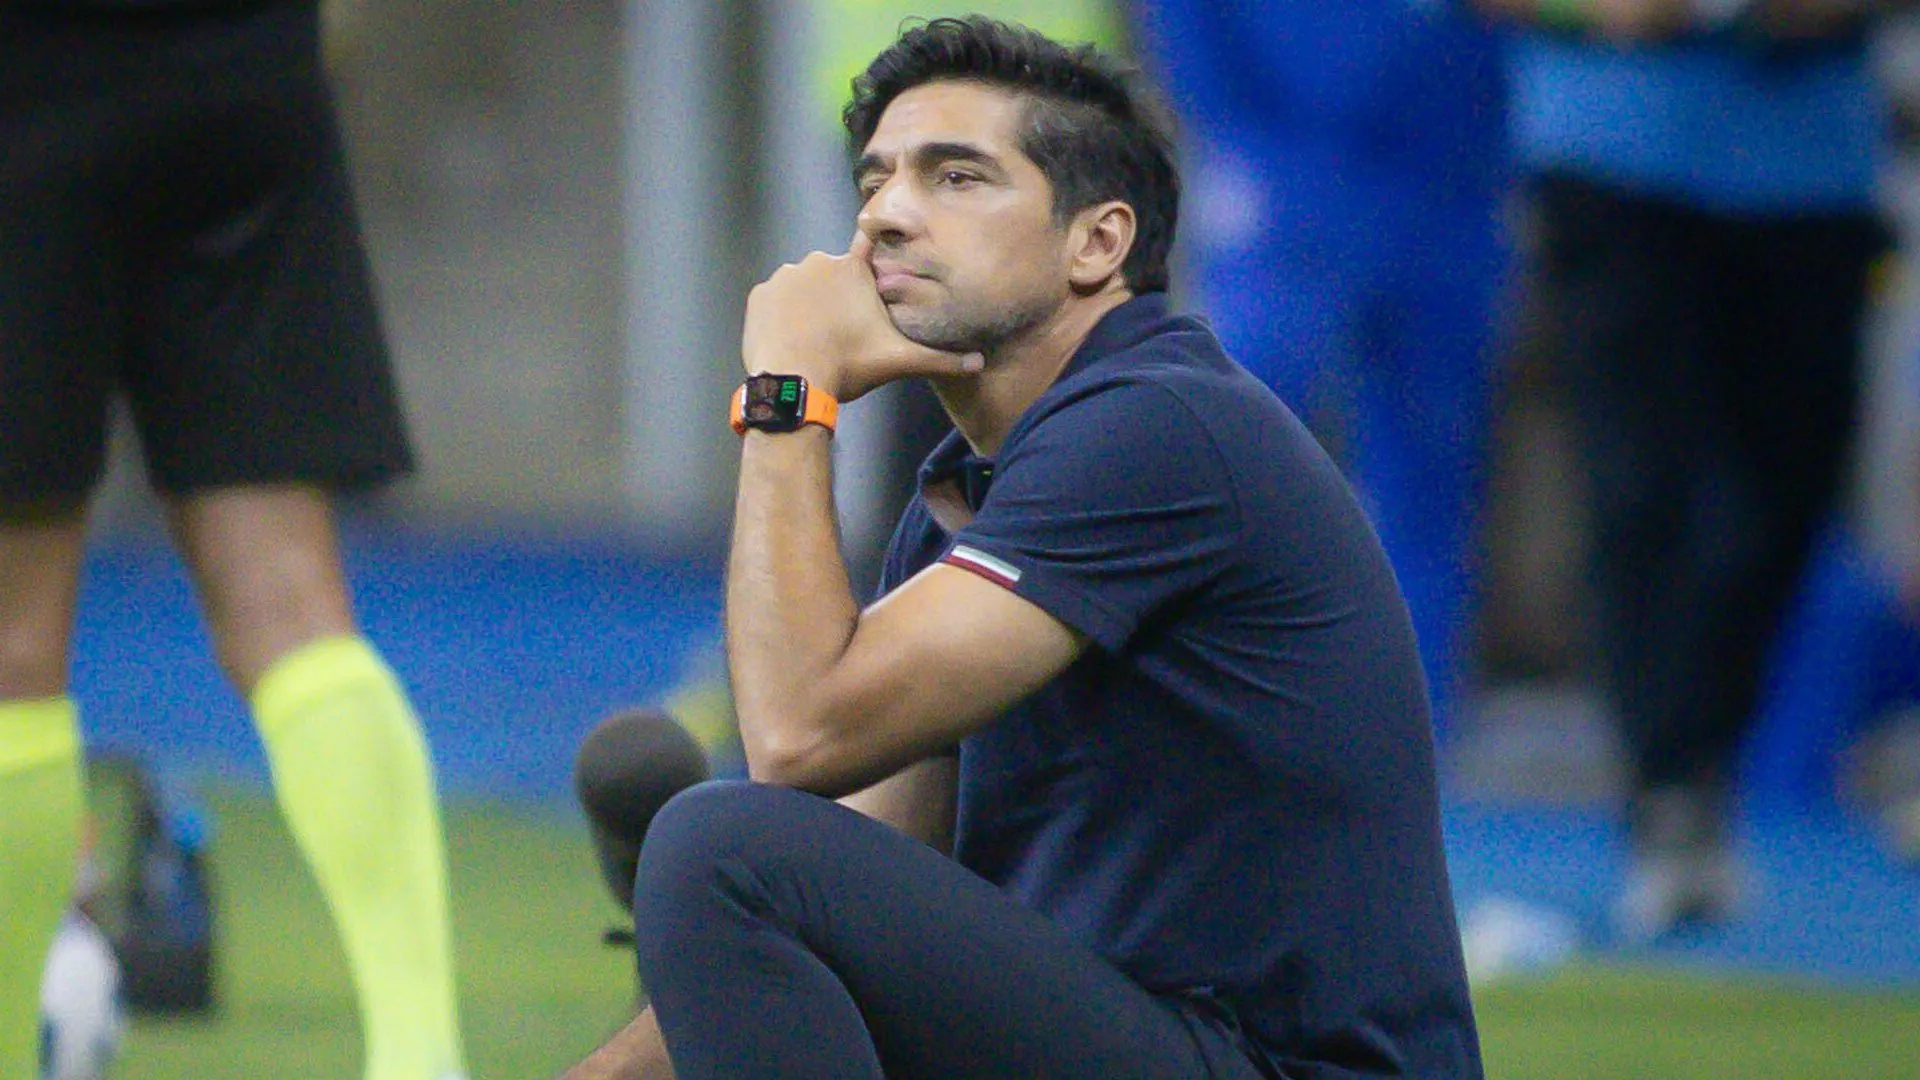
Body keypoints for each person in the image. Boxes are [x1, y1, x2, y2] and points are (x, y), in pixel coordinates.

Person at [562, 16, 1481, 1080]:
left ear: (1097, 243)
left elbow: (799, 732)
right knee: (742, 857)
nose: (885, 219)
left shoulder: (1160, 428)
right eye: (875, 180)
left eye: (956, 179)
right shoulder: (971, 490)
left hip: (1273, 1063)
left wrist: (787, 396)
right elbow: (845, 865)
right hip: (1162, 1043)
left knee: (713, 848)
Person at [0, 4, 468, 1079]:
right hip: (242, 65)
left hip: (28, 73)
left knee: (14, 649)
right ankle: (422, 1056)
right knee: (295, 604)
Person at [1469, 0, 1902, 940]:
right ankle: (1669, 789)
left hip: (1811, 176)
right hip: (1611, 159)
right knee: (1638, 490)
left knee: (1784, 498)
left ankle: (1704, 755)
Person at [1129, 0, 1512, 741]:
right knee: (1229, 465)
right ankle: (1202, 732)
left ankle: (1410, 748)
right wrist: (1233, 137)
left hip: (1449, 179)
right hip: (1285, 170)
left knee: (1431, 479)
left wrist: (1493, 147)